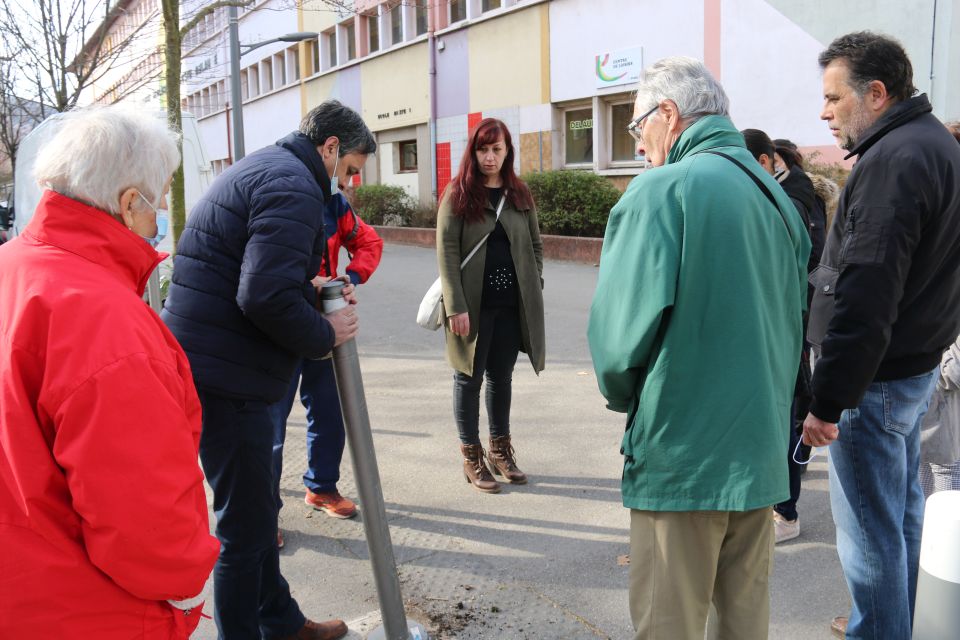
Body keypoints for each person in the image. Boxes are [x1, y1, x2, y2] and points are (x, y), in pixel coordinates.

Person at [588, 57, 809, 640]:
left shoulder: (662, 190)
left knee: (670, 623)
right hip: (760, 453)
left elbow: (617, 344)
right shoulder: (777, 198)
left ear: (669, 114)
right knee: (743, 620)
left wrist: (628, 400)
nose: (638, 147)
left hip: (684, 454)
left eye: (636, 129)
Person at [0, 105, 220, 638]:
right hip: (85, 607)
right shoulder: (104, 323)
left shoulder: (14, 266)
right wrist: (189, 578)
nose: (163, 209)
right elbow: (145, 520)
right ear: (128, 204)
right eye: (161, 195)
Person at [162, 100, 375, 640]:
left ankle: (280, 620)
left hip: (215, 362)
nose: (348, 183)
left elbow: (249, 268)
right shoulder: (294, 186)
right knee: (244, 530)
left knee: (255, 516)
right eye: (349, 168)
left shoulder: (268, 167)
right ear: (329, 147)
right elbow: (261, 296)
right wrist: (326, 333)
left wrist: (305, 288)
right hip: (226, 376)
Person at [803, 32, 960, 640]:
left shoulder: (895, 160)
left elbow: (866, 295)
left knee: (870, 538)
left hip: (875, 383)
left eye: (833, 98)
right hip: (906, 372)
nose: (825, 112)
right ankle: (909, 623)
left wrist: (828, 400)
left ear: (876, 93)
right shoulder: (934, 146)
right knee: (900, 518)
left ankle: (883, 630)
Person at [436, 117, 545, 494]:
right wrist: (455, 305)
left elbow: (534, 245)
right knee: (468, 378)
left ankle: (500, 451)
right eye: (483, 149)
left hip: (510, 306)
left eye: (497, 149)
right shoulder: (459, 194)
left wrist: (536, 283)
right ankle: (471, 456)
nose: (489, 157)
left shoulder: (520, 194)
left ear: (507, 152)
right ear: (474, 152)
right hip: (472, 306)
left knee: (502, 378)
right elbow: (447, 252)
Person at [270, 193, 383, 542]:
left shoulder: (335, 203)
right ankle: (263, 512)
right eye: (347, 170)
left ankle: (322, 487)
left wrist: (351, 276)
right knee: (269, 423)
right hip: (282, 323)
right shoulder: (277, 200)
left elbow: (369, 240)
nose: (348, 182)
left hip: (325, 324)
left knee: (329, 409)